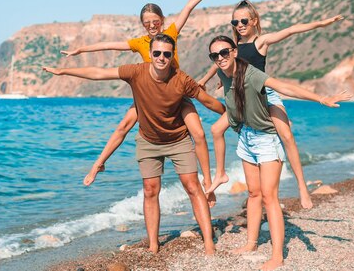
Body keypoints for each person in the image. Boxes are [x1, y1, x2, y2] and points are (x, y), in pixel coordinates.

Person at [44, 34, 226, 255]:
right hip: (149, 140)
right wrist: (64, 71)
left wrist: (231, 114)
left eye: (167, 54)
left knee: (192, 187)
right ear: (150, 54)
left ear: (172, 56)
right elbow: (99, 73)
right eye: (157, 53)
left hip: (178, 139)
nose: (161, 58)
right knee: (150, 190)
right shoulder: (136, 72)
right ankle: (153, 245)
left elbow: (207, 101)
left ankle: (208, 243)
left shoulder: (181, 79)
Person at [61, 0, 224, 186]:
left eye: (155, 21)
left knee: (198, 133)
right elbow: (109, 45)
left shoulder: (171, 33)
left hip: (176, 94)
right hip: (147, 97)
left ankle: (209, 182)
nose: (152, 25)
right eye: (147, 22)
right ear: (142, 24)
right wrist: (81, 49)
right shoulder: (140, 42)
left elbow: (189, 6)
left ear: (162, 20)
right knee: (123, 127)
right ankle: (98, 164)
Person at [207, 35, 351, 270]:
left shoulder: (252, 75)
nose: (220, 58)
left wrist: (321, 98)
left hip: (266, 140)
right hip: (246, 138)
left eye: (224, 53)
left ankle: (277, 256)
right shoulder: (223, 72)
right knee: (253, 194)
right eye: (215, 55)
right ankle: (251, 243)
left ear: (234, 52)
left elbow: (284, 87)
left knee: (269, 197)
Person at [200, 0, 344, 209]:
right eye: (235, 21)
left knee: (286, 136)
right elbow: (218, 65)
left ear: (254, 20)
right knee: (216, 130)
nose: (239, 25)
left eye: (243, 20)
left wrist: (321, 23)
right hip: (244, 100)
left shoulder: (261, 42)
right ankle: (223, 175)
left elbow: (292, 30)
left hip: (266, 94)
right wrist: (204, 80)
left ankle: (302, 186)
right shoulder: (231, 49)